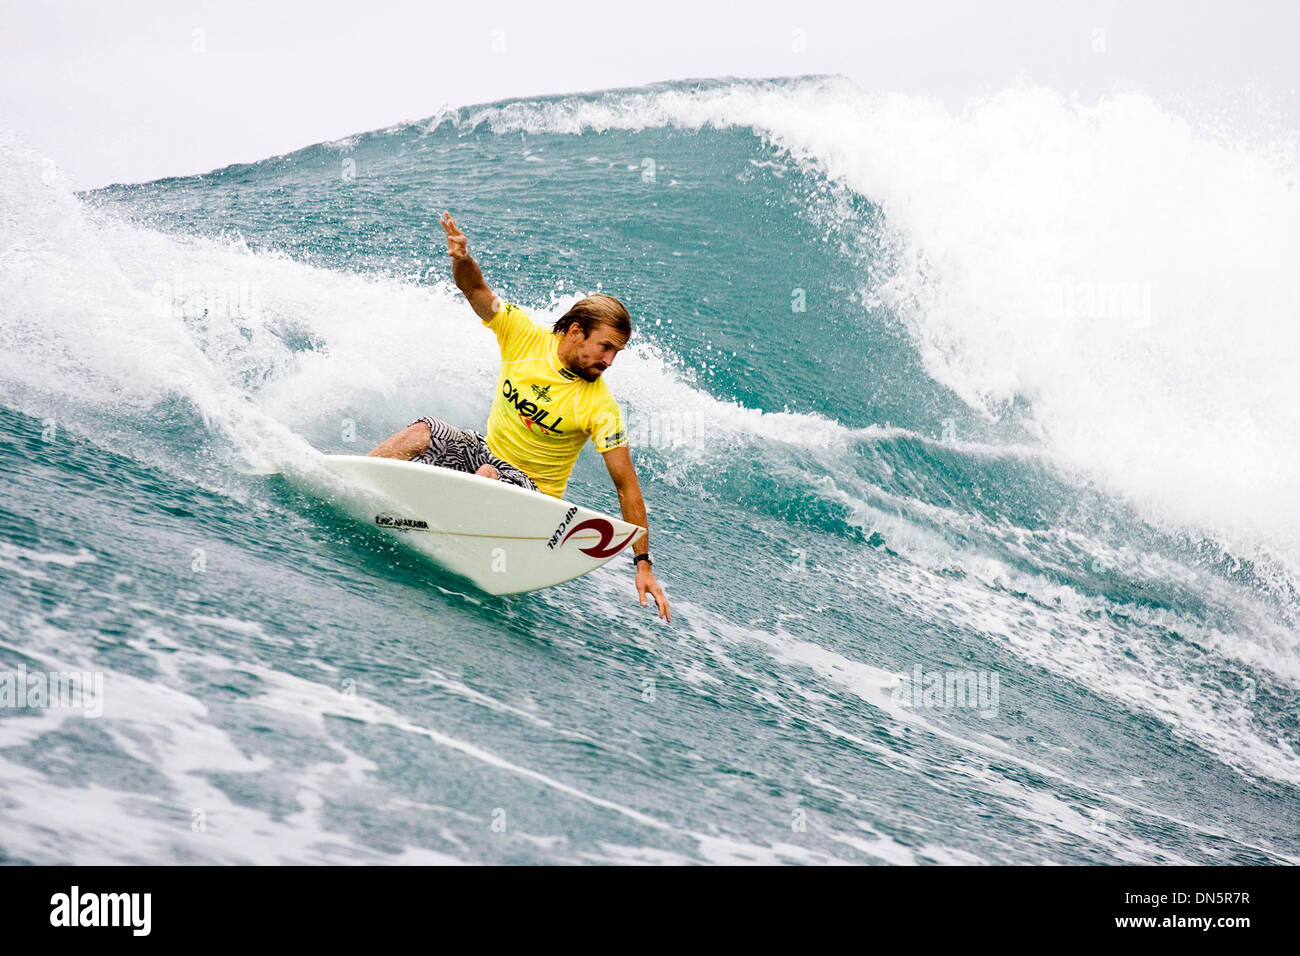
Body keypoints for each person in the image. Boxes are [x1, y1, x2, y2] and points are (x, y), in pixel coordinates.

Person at [368, 211, 671, 621]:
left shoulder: (601, 407)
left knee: (489, 478)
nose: (610, 360)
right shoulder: (523, 336)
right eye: (605, 347)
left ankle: (443, 542)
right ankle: (358, 490)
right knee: (421, 432)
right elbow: (475, 288)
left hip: (533, 494)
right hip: (485, 453)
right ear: (576, 331)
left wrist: (644, 563)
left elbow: (627, 488)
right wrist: (461, 257)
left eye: (617, 352)